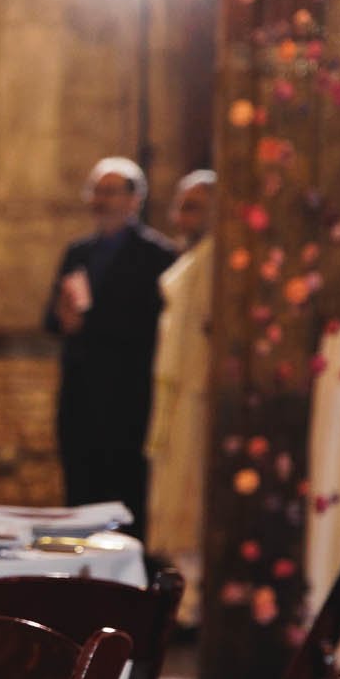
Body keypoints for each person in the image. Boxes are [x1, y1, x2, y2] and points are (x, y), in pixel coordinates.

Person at [42, 157, 179, 540]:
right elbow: (52, 319)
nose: (101, 201)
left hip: (128, 400)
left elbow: (152, 328)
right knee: (80, 497)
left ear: (135, 200)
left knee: (127, 501)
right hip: (80, 397)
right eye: (96, 192)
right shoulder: (78, 253)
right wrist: (63, 320)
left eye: (111, 192)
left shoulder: (157, 256)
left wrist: (91, 323)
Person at [148, 169, 217, 618]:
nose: (179, 216)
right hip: (177, 389)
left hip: (197, 391)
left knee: (191, 498)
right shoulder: (195, 257)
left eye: (191, 205)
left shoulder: (216, 261)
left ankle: (192, 608)